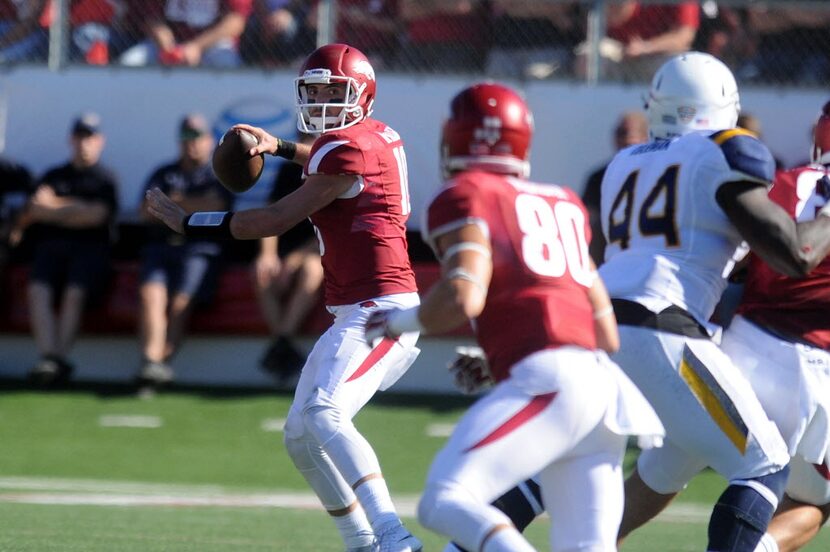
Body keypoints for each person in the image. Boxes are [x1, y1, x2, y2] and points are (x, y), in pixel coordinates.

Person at [441, 53, 830, 552]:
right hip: (663, 331)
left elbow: (604, 269)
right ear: (723, 107)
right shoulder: (727, 151)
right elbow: (795, 254)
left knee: (561, 462)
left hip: (598, 330)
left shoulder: (625, 163)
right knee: (764, 465)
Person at [145, 43, 423, 552]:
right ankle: (360, 541)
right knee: (299, 435)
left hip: (384, 311)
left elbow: (271, 221)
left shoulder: (343, 149)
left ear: (362, 93)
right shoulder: (374, 136)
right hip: (355, 312)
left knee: (325, 412)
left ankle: (393, 536)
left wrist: (188, 222)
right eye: (312, 91)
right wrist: (277, 146)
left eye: (332, 91)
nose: (320, 101)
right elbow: (327, 161)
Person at [364, 82, 663, 552]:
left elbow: (464, 295)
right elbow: (604, 331)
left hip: (550, 381)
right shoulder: (562, 200)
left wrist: (397, 323)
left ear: (458, 136)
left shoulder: (464, 194)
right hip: (604, 392)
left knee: (444, 499)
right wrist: (508, 350)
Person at [732, 102, 830, 552]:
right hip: (815, 366)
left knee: (662, 469)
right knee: (819, 497)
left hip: (738, 349)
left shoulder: (781, 181)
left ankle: (596, 541)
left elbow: (729, 270)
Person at [136, 113, 234, 394]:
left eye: (197, 138)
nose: (191, 145)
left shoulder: (219, 173)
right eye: (186, 138)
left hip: (200, 248)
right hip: (162, 245)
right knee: (151, 294)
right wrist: (189, 207)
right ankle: (151, 363)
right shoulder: (164, 172)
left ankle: (159, 362)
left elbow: (217, 205)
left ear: (210, 140)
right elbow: (146, 211)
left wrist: (172, 204)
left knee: (181, 300)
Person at [19, 113, 119, 385]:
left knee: (75, 292)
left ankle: (58, 359)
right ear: (71, 140)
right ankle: (49, 357)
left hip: (89, 250)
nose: (83, 144)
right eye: (79, 137)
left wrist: (54, 206)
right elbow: (33, 210)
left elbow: (96, 216)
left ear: (100, 141)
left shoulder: (104, 179)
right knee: (38, 289)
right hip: (52, 247)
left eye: (89, 138)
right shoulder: (55, 174)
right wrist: (75, 209)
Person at [254, 131, 323, 389]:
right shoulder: (287, 172)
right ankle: (284, 342)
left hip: (319, 249)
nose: (306, 141)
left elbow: (327, 228)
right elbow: (272, 214)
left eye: (312, 136)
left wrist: (295, 258)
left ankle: (280, 344)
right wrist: (267, 255)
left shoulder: (329, 172)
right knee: (261, 272)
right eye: (303, 135)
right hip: (287, 247)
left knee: (311, 271)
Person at [581, 110, 648, 265]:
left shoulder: (655, 174)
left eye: (627, 133)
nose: (622, 140)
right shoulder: (598, 177)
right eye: (619, 133)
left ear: (646, 137)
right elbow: (587, 222)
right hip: (606, 266)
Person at [576, 0, 699, 82]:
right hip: (619, 51)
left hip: (657, 55)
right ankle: (597, 106)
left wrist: (646, 47)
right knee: (587, 59)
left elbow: (684, 37)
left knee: (681, 68)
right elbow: (595, 25)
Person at [120, 0, 252, 68]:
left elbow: (236, 21)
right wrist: (166, 42)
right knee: (129, 63)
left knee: (227, 64)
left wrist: (196, 47)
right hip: (167, 44)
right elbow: (148, 16)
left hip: (213, 44)